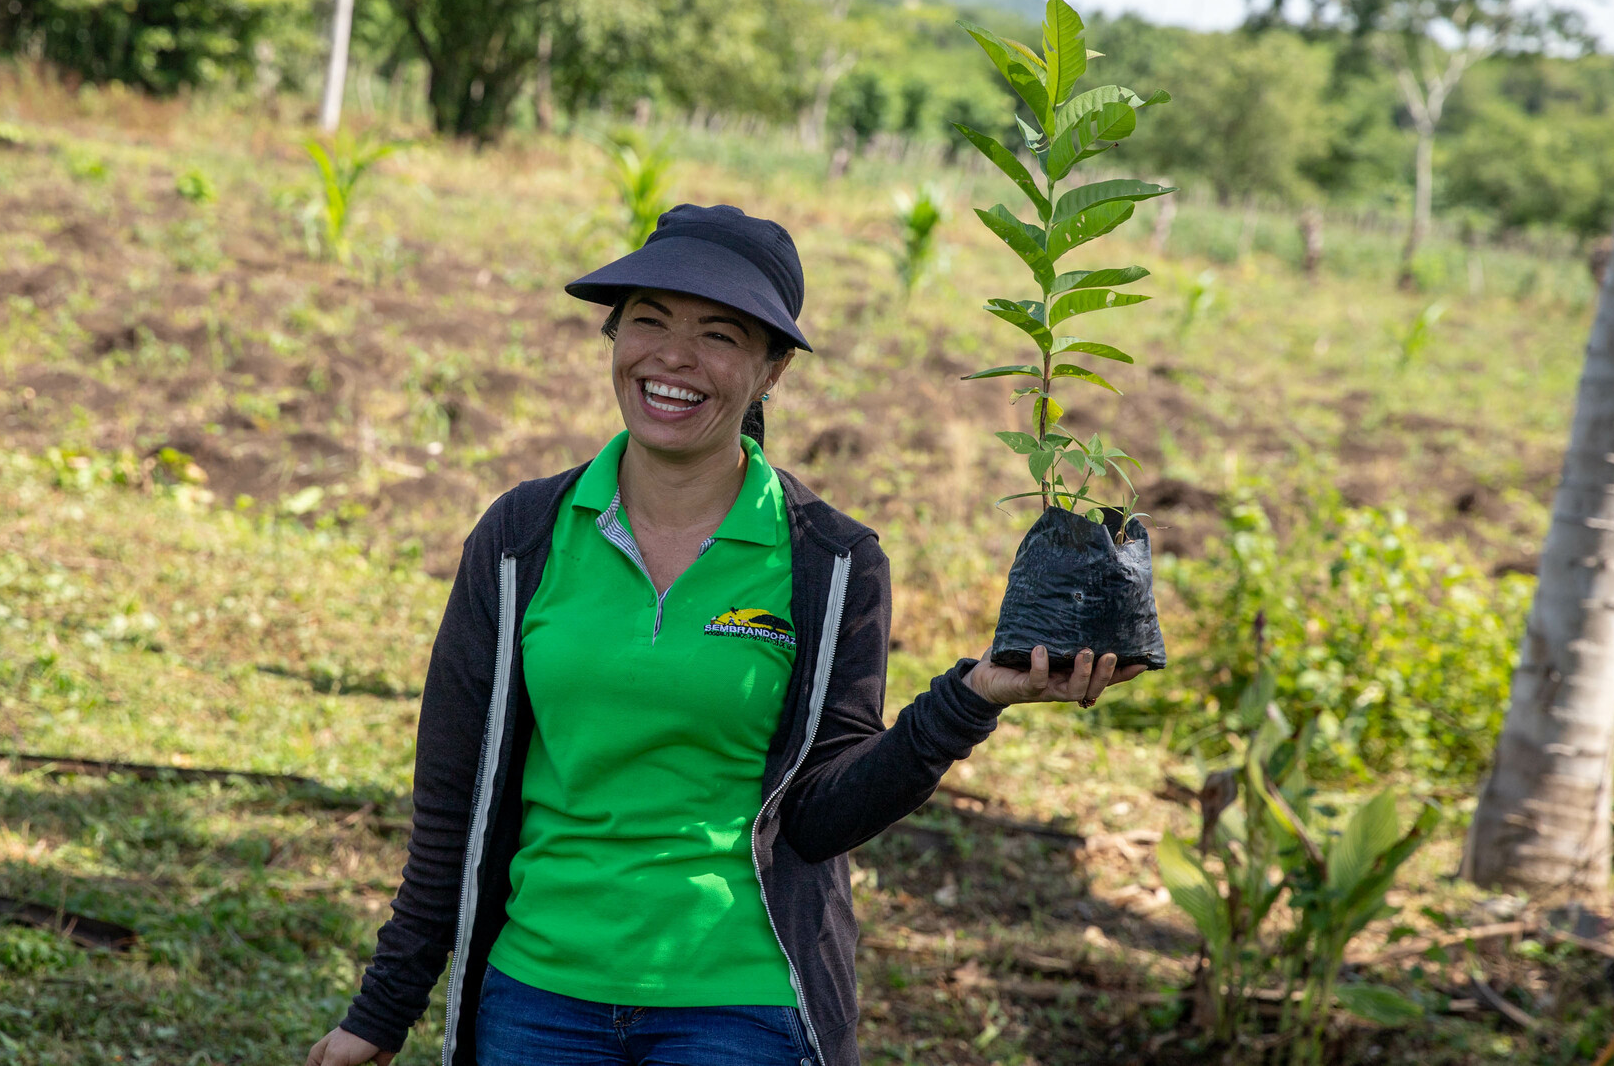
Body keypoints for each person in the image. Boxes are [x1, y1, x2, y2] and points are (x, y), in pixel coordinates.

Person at [305, 204, 1145, 1066]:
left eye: (719, 334)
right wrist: (382, 1009)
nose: (674, 357)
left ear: (772, 370)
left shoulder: (830, 561)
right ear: (614, 337)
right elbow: (452, 799)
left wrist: (968, 703)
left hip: (740, 1007)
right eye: (649, 321)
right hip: (537, 997)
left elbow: (820, 817)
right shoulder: (523, 536)